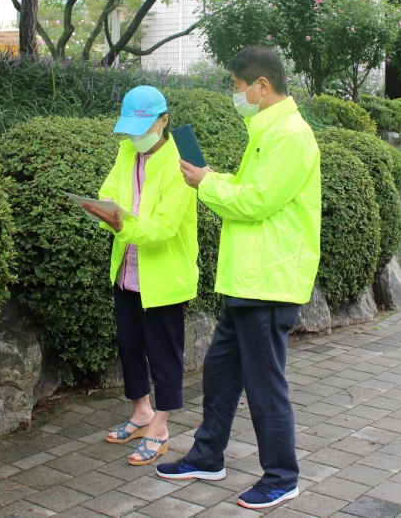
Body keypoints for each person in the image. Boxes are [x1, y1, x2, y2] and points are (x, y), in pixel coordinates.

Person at [157, 46, 321, 510]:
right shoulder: (268, 130)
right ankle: (208, 455)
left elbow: (256, 201)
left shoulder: (289, 134)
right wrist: (211, 176)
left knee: (265, 383)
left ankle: (281, 476)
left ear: (261, 87)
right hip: (248, 279)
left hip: (268, 280)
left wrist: (206, 182)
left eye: (236, 87)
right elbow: (254, 191)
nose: (235, 95)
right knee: (220, 371)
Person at [81, 85, 198, 466]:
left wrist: (120, 226)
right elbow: (110, 190)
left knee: (163, 353)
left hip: (162, 276)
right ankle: (141, 413)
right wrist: (102, 211)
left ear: (164, 121)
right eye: (130, 129)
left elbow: (163, 227)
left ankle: (161, 429)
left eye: (142, 127)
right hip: (126, 271)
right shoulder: (127, 150)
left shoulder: (182, 164)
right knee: (129, 345)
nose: (136, 136)